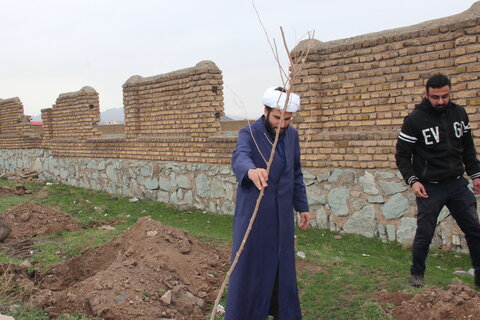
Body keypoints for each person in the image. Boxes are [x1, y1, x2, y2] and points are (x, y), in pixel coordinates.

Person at [225, 87, 310, 319]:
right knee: (251, 269)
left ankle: (281, 312)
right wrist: (251, 171)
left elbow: (295, 173)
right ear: (265, 111)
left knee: (282, 269)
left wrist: (302, 206)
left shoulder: (292, 135)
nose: (282, 124)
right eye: (277, 118)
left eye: (288, 119)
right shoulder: (249, 133)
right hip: (256, 216)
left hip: (282, 218)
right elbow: (239, 156)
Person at [396, 74, 480, 288]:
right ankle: (417, 274)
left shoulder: (460, 113)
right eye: (436, 97)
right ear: (426, 94)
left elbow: (468, 149)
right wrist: (413, 181)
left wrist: (476, 175)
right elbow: (402, 156)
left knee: (474, 230)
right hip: (430, 188)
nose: (441, 101)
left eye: (445, 96)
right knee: (425, 233)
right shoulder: (414, 119)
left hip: (457, 183)